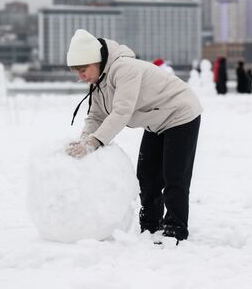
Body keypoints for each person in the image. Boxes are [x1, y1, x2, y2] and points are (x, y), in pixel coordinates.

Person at [65, 29, 203, 242]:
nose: (80, 76)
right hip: (155, 121)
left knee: (174, 176)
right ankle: (150, 228)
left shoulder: (124, 69)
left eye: (83, 69)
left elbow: (122, 112)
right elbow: (95, 116)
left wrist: (93, 142)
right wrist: (84, 139)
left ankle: (175, 230)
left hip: (180, 113)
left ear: (96, 61)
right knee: (147, 177)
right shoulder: (99, 83)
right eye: (77, 71)